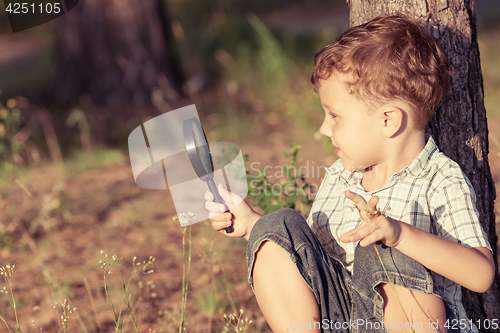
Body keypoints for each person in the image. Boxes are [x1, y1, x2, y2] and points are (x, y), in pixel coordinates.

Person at [205, 14, 495, 333]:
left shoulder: (439, 179)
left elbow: (480, 274)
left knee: (387, 253)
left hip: (415, 319)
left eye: (334, 116)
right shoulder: (340, 176)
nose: (323, 128)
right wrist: (251, 225)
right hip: (344, 318)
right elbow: (310, 263)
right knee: (277, 225)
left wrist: (400, 235)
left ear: (388, 121)